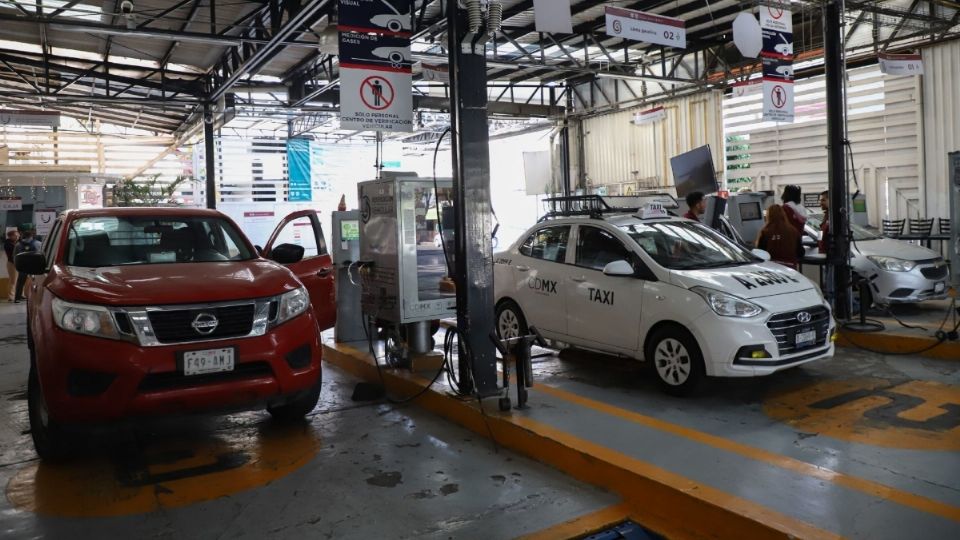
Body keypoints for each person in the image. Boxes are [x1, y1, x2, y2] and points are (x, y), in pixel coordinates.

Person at [755, 204, 803, 269]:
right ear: (783, 215)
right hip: (790, 268)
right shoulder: (793, 231)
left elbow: (760, 252)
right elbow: (800, 252)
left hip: (772, 268)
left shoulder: (765, 232)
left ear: (769, 216)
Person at [13, 224, 42, 303]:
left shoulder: (18, 245)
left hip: (22, 267)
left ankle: (17, 298)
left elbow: (14, 256)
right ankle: (34, 298)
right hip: (34, 267)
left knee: (20, 283)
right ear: (32, 235)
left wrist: (17, 266)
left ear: (23, 236)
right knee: (34, 282)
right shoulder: (38, 243)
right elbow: (42, 255)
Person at [3, 229, 18, 302]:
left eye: (17, 234)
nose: (17, 236)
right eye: (15, 235)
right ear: (11, 236)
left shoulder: (16, 242)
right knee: (13, 280)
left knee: (18, 280)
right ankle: (11, 296)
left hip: (18, 263)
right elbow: (12, 252)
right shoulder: (8, 243)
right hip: (12, 263)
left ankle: (19, 294)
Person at [818, 190, 829, 254]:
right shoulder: (826, 215)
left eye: (823, 200)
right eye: (820, 200)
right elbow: (821, 231)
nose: (820, 203)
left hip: (830, 256)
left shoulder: (834, 216)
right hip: (823, 254)